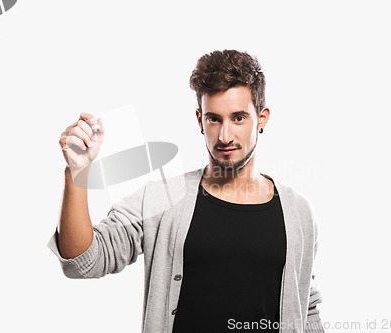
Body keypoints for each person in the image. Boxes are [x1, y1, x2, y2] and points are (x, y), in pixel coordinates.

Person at [47, 49, 325, 333]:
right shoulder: (162, 198)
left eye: (238, 118)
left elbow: (306, 309)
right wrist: (77, 172)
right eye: (214, 119)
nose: (225, 135)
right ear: (199, 119)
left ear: (262, 118)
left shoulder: (298, 212)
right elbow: (82, 261)